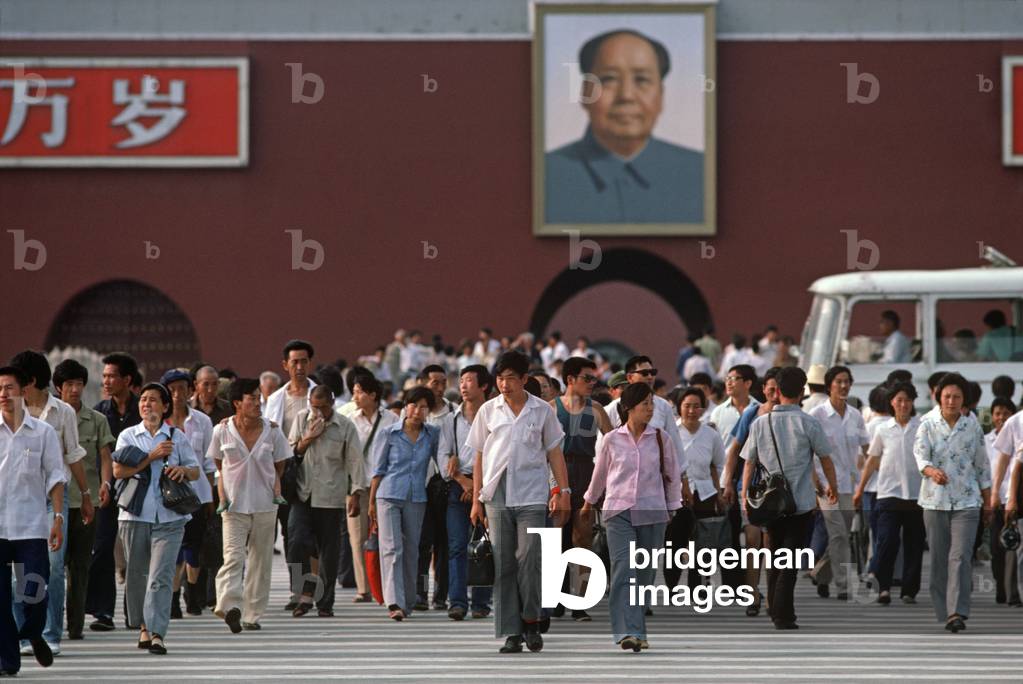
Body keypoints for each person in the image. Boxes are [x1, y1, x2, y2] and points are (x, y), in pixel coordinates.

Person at [469, 351, 571, 654]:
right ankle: (511, 632)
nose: (504, 384)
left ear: (524, 379)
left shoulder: (542, 412)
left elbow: (554, 453)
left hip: (532, 493)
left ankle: (531, 619)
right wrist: (476, 500)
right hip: (497, 493)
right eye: (500, 378)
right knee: (503, 564)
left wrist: (563, 492)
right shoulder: (489, 411)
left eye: (510, 378)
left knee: (529, 559)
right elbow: (478, 456)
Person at [545, 29, 703, 224]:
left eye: (642, 80)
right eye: (609, 79)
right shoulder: (545, 176)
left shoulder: (700, 174)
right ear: (586, 93)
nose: (626, 96)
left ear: (661, 96)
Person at [583, 382, 681, 651]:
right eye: (645, 404)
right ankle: (628, 632)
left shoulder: (662, 438)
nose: (650, 409)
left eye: (651, 403)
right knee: (624, 569)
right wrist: (588, 501)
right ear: (628, 408)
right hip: (618, 511)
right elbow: (601, 474)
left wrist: (673, 507)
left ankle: (638, 628)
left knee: (646, 574)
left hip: (653, 511)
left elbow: (672, 476)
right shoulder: (611, 439)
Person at [740, 366, 839, 630]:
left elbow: (749, 462)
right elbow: (825, 458)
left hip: (770, 503)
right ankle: (783, 615)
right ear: (802, 391)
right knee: (790, 560)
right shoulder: (808, 423)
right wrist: (832, 486)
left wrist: (744, 495)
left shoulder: (761, 423)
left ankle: (775, 606)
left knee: (774, 555)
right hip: (801, 502)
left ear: (779, 391)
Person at [9, 350, 90, 657]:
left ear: (32, 381)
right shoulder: (11, 410)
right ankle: (25, 633)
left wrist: (85, 495)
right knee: (22, 570)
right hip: (19, 501)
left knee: (54, 568)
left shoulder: (62, 412)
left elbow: (73, 454)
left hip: (52, 499)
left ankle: (50, 632)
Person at [113, 382, 200, 655]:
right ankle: (142, 627)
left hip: (170, 516)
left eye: (153, 400)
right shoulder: (129, 435)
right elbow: (118, 471)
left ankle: (158, 632)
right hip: (134, 516)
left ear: (164, 407)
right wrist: (152, 456)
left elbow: (196, 471)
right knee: (137, 574)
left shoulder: (176, 436)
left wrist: (181, 470)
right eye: (143, 400)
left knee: (160, 575)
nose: (146, 404)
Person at [913, 372, 992, 633]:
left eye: (956, 396)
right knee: (938, 558)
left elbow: (982, 466)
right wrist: (931, 471)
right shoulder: (926, 424)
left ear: (963, 400)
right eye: (947, 396)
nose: (951, 400)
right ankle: (943, 608)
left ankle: (956, 611)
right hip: (934, 502)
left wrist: (989, 500)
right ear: (939, 397)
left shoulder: (973, 427)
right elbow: (921, 458)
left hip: (967, 502)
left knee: (960, 557)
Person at [211, 379, 290, 632]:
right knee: (232, 557)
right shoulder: (221, 431)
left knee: (260, 560)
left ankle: (251, 615)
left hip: (265, 504)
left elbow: (280, 465)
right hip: (233, 505)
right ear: (237, 403)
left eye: (259, 398)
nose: (257, 403)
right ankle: (230, 606)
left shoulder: (273, 431)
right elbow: (218, 464)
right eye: (252, 398)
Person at [0, 365, 65, 674]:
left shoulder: (43, 433)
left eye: (9, 388)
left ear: (22, 392)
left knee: (34, 592)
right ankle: (8, 661)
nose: (3, 394)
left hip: (31, 527)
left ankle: (33, 632)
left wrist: (58, 518)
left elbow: (55, 476)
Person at [287, 385, 365, 618]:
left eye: (323, 406)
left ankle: (325, 602)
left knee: (329, 552)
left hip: (331, 497)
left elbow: (355, 460)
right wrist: (308, 438)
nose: (318, 411)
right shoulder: (302, 420)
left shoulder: (345, 426)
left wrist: (356, 493)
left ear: (332, 402)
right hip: (303, 493)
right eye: (314, 406)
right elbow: (290, 453)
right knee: (296, 541)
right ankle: (303, 594)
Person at [51, 359, 115, 641]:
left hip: (86, 503)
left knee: (79, 565)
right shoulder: (47, 420)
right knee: (54, 566)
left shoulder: (97, 420)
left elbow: (104, 456)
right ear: (58, 387)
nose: (75, 390)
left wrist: (105, 484)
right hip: (55, 504)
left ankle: (75, 625)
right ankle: (49, 621)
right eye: (69, 385)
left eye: (79, 384)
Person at [368, 387, 440, 621]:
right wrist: (371, 503)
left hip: (417, 497)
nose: (417, 411)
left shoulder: (432, 434)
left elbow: (443, 458)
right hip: (388, 495)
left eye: (423, 407)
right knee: (391, 549)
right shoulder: (388, 434)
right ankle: (394, 602)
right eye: (413, 405)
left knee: (412, 551)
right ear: (405, 406)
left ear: (428, 411)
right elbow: (378, 471)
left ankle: (409, 601)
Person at [550, 356, 612, 621]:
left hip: (586, 473)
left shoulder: (597, 409)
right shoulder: (550, 409)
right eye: (587, 378)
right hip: (556, 474)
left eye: (594, 379)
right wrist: (552, 487)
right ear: (570, 380)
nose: (592, 383)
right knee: (554, 540)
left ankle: (578, 601)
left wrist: (607, 484)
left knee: (582, 540)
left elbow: (613, 447)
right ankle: (555, 597)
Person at [853, 382, 924, 604]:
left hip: (916, 494)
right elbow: (872, 460)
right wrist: (860, 488)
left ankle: (909, 590)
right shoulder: (883, 429)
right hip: (888, 492)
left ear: (912, 402)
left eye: (907, 400)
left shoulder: (921, 427)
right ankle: (883, 587)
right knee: (887, 540)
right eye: (899, 400)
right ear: (891, 402)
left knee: (914, 544)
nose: (903, 404)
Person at [87, 352, 142, 632]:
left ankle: (134, 612)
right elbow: (98, 454)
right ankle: (103, 612)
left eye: (111, 376)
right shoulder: (99, 413)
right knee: (102, 549)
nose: (106, 381)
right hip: (107, 490)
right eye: (104, 376)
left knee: (136, 553)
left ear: (127, 380)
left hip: (138, 491)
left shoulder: (141, 411)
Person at [720, 367, 782, 611]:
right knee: (753, 539)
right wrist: (728, 482)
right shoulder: (752, 413)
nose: (774, 392)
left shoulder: (790, 414)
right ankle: (752, 593)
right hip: (752, 486)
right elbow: (734, 450)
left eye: (778, 388)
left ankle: (772, 594)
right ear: (763, 388)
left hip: (779, 489)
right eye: (770, 387)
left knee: (771, 542)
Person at [807, 366, 869, 601]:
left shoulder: (856, 416)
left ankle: (820, 574)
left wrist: (865, 476)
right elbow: (808, 453)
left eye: (847, 382)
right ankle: (843, 586)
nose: (843, 386)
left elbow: (865, 448)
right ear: (829, 385)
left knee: (839, 535)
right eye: (839, 382)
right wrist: (815, 485)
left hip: (849, 485)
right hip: (825, 485)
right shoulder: (817, 416)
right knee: (839, 534)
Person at [264, 339, 318, 610]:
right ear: (285, 365)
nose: (299, 367)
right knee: (291, 534)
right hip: (286, 476)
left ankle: (314, 589)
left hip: (318, 476)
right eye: (294, 362)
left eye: (304, 361)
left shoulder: (322, 396)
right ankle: (299, 589)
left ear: (310, 363)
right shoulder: (275, 400)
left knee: (311, 536)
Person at [160, 369, 216, 619]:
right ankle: (172, 599)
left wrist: (212, 496)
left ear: (190, 390)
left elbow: (209, 462)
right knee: (175, 549)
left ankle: (192, 592)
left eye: (182, 388)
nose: (177, 394)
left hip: (198, 494)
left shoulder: (202, 421)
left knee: (194, 548)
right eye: (171, 390)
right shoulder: (159, 425)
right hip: (168, 496)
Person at [440, 365, 494, 621]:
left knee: (485, 546)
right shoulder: (451, 420)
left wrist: (478, 488)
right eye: (461, 381)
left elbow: (498, 457)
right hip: (458, 488)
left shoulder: (495, 416)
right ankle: (458, 602)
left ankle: (481, 603)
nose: (463, 386)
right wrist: (463, 482)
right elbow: (444, 458)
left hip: (488, 488)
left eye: (469, 381)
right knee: (457, 546)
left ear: (483, 386)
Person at [348, 374, 399, 602]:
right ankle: (364, 588)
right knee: (358, 537)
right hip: (358, 486)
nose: (355, 396)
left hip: (385, 485)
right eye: (354, 391)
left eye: (359, 392)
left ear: (373, 395)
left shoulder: (391, 420)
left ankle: (385, 586)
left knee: (386, 537)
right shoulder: (350, 419)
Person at [672, 388, 723, 591]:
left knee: (703, 544)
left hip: (705, 493)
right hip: (677, 494)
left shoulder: (711, 434)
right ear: (679, 408)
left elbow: (719, 465)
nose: (691, 411)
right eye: (687, 406)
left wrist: (719, 492)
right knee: (675, 542)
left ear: (702, 409)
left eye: (696, 406)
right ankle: (672, 585)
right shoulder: (671, 432)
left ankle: (698, 586)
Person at [984, 397, 1019, 605]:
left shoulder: (1018, 434)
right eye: (997, 413)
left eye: (1006, 413)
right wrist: (989, 498)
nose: (1001, 417)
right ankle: (1001, 587)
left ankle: (1013, 592)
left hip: (1015, 499)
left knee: (1014, 547)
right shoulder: (985, 441)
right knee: (998, 548)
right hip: (995, 500)